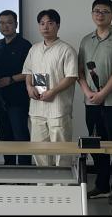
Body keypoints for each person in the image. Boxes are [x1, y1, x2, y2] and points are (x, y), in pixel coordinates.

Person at [78, 0, 112, 201]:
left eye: (105, 11)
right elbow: (80, 71)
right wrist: (87, 92)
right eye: (96, 11)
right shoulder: (86, 40)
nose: (100, 14)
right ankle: (101, 185)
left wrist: (103, 93)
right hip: (91, 101)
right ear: (92, 14)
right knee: (96, 144)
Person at [22, 9, 78, 167]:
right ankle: (43, 181)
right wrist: (29, 86)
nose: (45, 27)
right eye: (42, 23)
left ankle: (63, 182)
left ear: (58, 26)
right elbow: (28, 72)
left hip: (58, 108)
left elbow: (71, 76)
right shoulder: (34, 49)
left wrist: (53, 91)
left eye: (50, 23)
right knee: (39, 149)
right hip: (37, 108)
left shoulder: (66, 49)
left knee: (62, 149)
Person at [0, 9, 33, 165]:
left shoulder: (25, 45)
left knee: (20, 135)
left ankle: (25, 171)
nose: (5, 26)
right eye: (2, 23)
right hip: (0, 99)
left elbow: (31, 71)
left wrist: (11, 79)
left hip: (18, 99)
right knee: (5, 137)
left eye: (9, 22)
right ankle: (8, 169)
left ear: (16, 24)